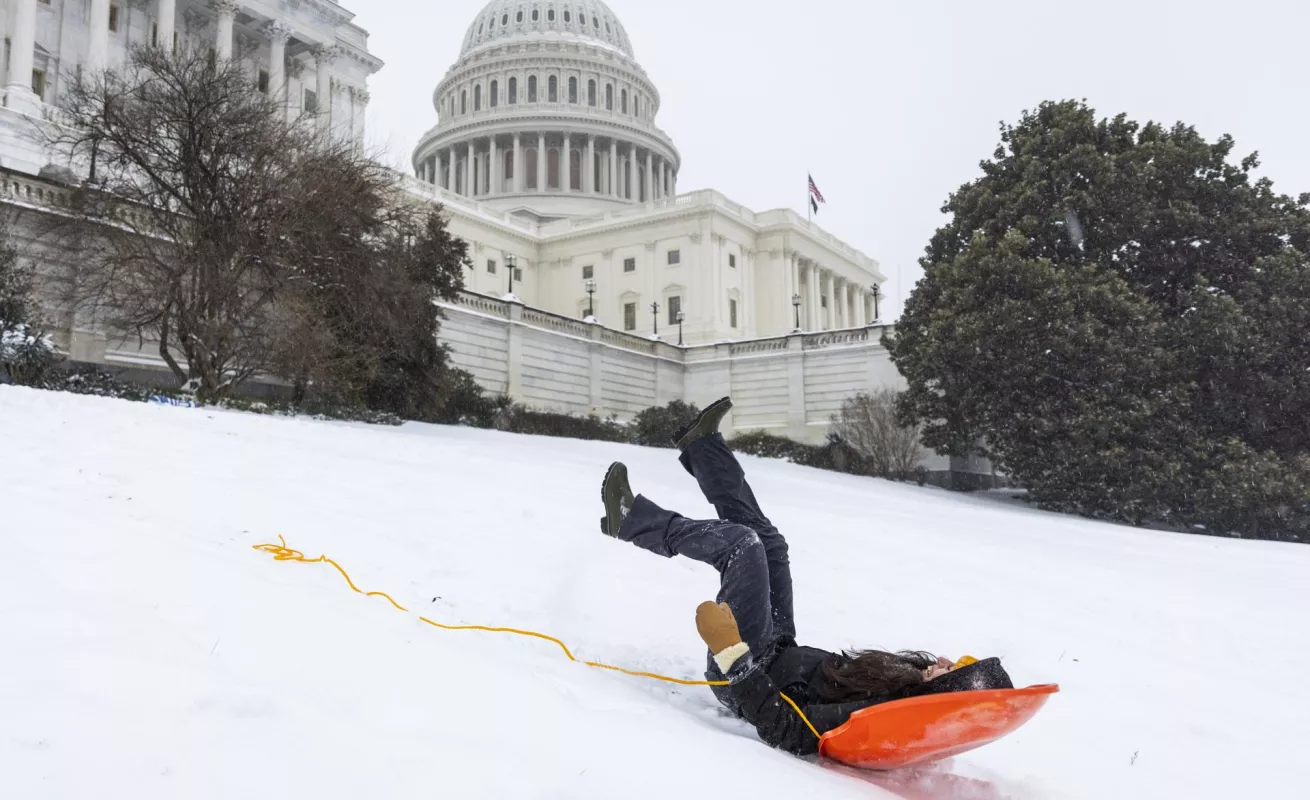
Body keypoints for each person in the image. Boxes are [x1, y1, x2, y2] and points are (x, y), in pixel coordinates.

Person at [599, 397, 1015, 757]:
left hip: (747, 667)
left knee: (743, 544)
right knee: (771, 545)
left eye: (954, 668)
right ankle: (702, 446)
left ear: (947, 691)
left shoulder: (884, 712)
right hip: (778, 648)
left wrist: (731, 653)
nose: (943, 660)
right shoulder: (907, 681)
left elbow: (788, 729)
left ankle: (631, 520)